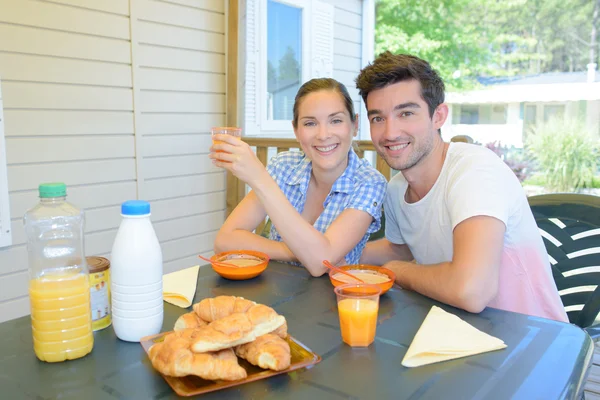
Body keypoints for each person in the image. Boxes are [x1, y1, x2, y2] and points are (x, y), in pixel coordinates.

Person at [357, 52, 567, 322]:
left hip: (534, 344)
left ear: (438, 116)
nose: (390, 132)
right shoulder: (398, 189)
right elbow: (400, 247)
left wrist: (396, 271)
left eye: (406, 113)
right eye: (377, 118)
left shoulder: (474, 171)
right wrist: (333, 252)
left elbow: (472, 290)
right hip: (457, 333)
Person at [210, 78, 387, 277]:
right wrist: (297, 252)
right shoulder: (283, 166)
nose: (323, 134)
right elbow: (225, 241)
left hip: (333, 300)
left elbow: (322, 262)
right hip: (273, 290)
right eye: (310, 123)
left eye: (335, 120)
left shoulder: (369, 183)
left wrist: (259, 178)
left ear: (354, 125)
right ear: (296, 130)